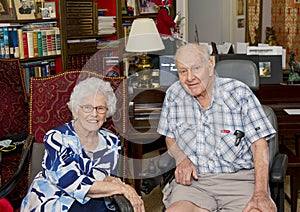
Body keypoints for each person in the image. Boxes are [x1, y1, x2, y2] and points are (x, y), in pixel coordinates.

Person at [157, 43, 277, 212]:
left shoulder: (239, 93)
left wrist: (260, 193)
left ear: (210, 66)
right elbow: (170, 137)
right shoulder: (174, 94)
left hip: (239, 181)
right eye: (183, 71)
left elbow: (259, 145)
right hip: (194, 183)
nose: (190, 77)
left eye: (196, 68)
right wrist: (181, 158)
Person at [21, 77, 145, 212]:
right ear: (75, 110)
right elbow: (72, 183)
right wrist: (123, 188)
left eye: (100, 108)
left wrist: (116, 183)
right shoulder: (57, 138)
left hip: (94, 200)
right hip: (54, 201)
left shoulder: (111, 140)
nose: (94, 114)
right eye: (87, 107)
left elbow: (105, 177)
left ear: (107, 112)